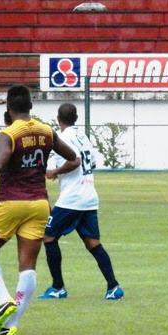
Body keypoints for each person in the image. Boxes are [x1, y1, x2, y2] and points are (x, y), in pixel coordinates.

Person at [0, 85, 79, 335]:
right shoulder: (46, 131)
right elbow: (73, 157)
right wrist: (51, 172)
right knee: (28, 266)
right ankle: (11, 323)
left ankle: (3, 298)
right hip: (39, 205)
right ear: (30, 106)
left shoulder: (8, 133)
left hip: (10, 202)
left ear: (9, 108)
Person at [39, 103, 123, 301]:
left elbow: (74, 161)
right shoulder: (83, 137)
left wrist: (55, 172)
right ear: (76, 118)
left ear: (58, 119)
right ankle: (113, 286)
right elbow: (91, 162)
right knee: (93, 243)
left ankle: (58, 287)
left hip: (72, 198)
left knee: (48, 237)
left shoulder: (64, 138)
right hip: (89, 196)